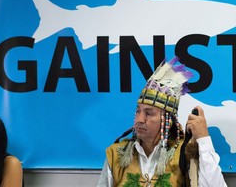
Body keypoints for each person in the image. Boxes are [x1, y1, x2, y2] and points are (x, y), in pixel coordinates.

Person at [97, 57, 227, 187]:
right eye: (138, 111)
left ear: (167, 120)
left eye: (149, 113)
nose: (139, 119)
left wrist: (203, 139)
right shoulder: (115, 154)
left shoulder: (184, 153)